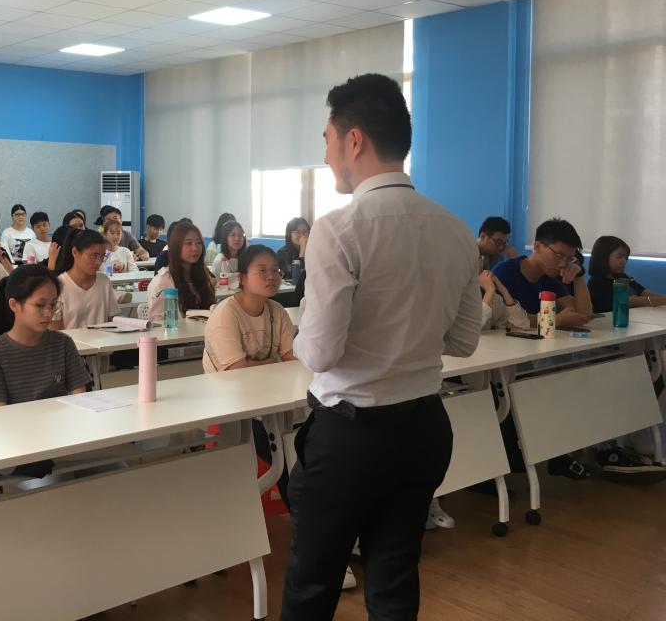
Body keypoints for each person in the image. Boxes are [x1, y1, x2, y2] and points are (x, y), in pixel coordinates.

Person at [281, 73, 481, 621]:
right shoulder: (455, 229)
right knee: (394, 581)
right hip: (423, 429)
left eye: (327, 139)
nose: (326, 155)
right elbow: (464, 341)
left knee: (312, 584)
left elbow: (320, 353)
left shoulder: (338, 229)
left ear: (354, 140)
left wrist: (296, 335)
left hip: (351, 437)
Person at [203, 245, 297, 507]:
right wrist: (274, 361)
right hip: (229, 402)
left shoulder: (277, 311)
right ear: (242, 277)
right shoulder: (226, 314)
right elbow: (238, 371)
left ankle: (296, 506)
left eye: (276, 271)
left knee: (293, 446)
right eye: (262, 271)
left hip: (270, 396)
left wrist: (271, 362)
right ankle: (294, 508)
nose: (272, 277)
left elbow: (292, 359)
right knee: (283, 451)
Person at [0, 265, 90, 408]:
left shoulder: (63, 344)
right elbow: (0, 414)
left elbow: (81, 400)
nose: (48, 313)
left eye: (52, 304)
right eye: (40, 305)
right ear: (14, 305)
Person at [492, 218, 594, 329]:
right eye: (559, 255)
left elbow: (582, 315)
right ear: (537, 247)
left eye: (570, 259)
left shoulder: (550, 278)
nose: (563, 264)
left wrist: (578, 275)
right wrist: (554, 320)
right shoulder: (504, 272)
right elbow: (502, 316)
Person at [147, 223, 216, 324]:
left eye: (199, 243)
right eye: (188, 243)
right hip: (176, 333)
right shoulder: (164, 281)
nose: (195, 248)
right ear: (176, 246)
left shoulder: (203, 275)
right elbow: (158, 324)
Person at [50, 230, 119, 330]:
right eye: (93, 256)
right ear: (75, 252)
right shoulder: (59, 285)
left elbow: (111, 321)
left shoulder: (104, 281)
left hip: (102, 339)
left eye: (102, 256)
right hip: (71, 341)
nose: (98, 262)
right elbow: (54, 331)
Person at [587, 236, 666, 313]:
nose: (624, 261)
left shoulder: (623, 277)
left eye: (626, 257)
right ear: (603, 257)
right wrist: (638, 300)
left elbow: (646, 293)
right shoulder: (595, 283)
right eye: (619, 257)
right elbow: (626, 302)